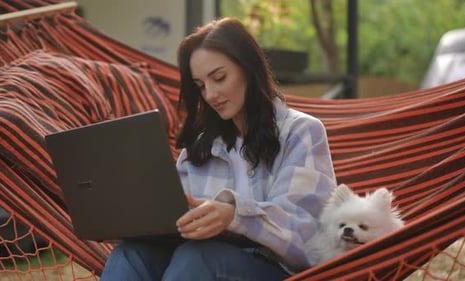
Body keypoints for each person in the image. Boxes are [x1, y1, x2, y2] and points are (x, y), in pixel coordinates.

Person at [100, 17, 337, 281]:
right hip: (195, 261)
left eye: (219, 78)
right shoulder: (199, 147)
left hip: (277, 271)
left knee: (197, 258)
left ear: (248, 68)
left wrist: (235, 216)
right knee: (130, 254)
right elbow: (176, 217)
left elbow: (306, 236)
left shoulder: (301, 132)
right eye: (201, 86)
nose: (210, 94)